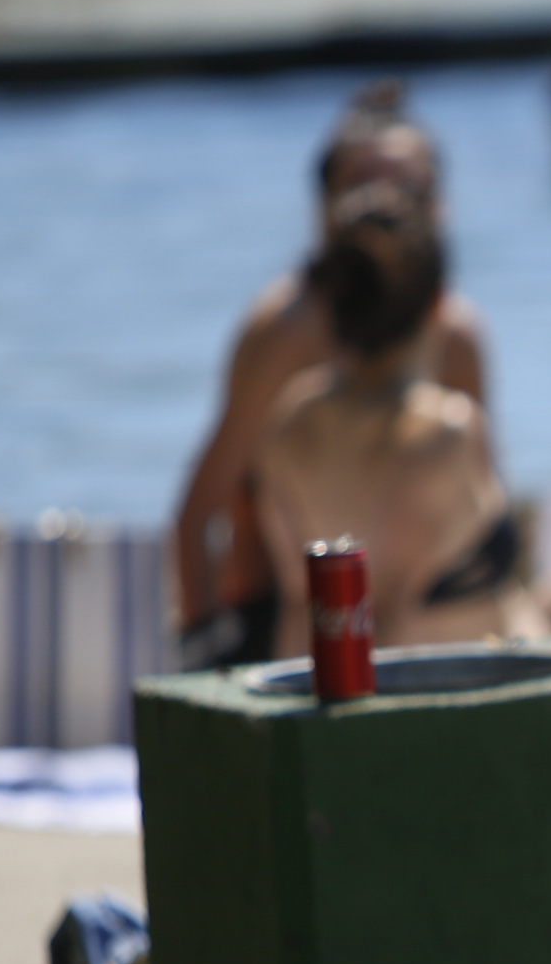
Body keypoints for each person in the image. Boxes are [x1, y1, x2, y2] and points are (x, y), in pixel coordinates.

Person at [172, 82, 491, 668]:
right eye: (363, 189)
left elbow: (481, 531)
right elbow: (200, 512)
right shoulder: (285, 331)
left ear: (440, 204)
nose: (386, 207)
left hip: (425, 626)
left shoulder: (459, 333)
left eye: (409, 190)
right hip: (287, 629)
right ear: (324, 208)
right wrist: (203, 658)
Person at [252, 186, 537, 655]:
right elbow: (381, 622)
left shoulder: (289, 419)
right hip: (488, 682)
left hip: (325, 667)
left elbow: (303, 604)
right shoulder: (443, 430)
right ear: (438, 305)